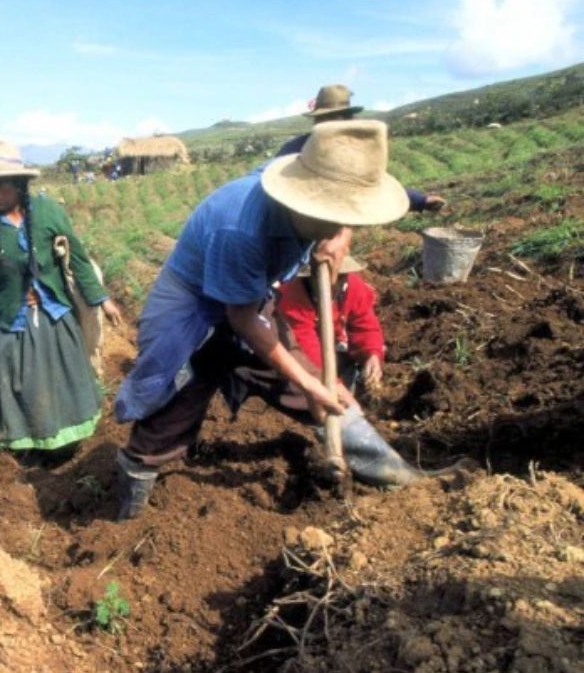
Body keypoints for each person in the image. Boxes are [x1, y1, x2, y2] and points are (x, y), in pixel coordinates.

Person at [113, 120, 426, 521]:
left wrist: (340, 233)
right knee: (180, 392)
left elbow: (253, 311)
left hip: (251, 294)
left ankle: (391, 474)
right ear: (306, 202)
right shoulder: (241, 227)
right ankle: (131, 503)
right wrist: (309, 384)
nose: (342, 225)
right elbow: (241, 318)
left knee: (317, 384)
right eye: (338, 216)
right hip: (192, 301)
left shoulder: (313, 190)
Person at [0, 140, 122, 462]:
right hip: (7, 323)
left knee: (62, 383)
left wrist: (102, 300)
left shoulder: (48, 212)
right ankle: (22, 449)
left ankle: (64, 446)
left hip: (53, 318)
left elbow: (78, 259)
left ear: (19, 182)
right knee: (20, 390)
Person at [275, 84, 446, 213]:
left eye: (339, 118)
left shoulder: (355, 152)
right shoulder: (296, 148)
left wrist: (420, 200)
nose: (331, 124)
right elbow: (271, 181)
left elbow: (374, 182)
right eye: (326, 118)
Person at [277, 256, 386, 392]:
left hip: (334, 346)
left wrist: (372, 354)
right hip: (297, 356)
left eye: (340, 276)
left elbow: (364, 325)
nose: (335, 282)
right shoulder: (292, 297)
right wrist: (334, 388)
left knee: (348, 365)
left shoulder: (353, 285)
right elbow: (306, 348)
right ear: (310, 277)